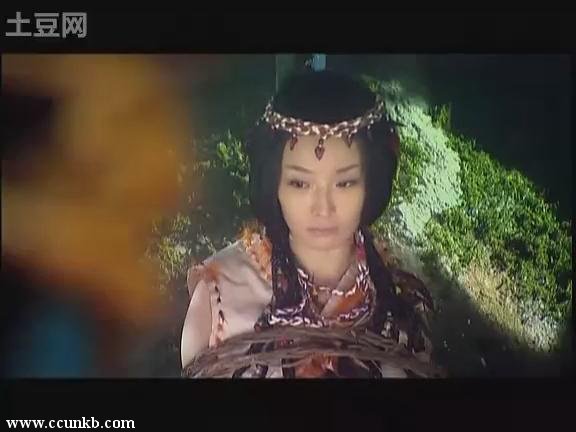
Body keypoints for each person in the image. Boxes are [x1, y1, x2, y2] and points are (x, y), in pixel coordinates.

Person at [181, 69, 442, 378]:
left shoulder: (402, 301)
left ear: (370, 185)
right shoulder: (218, 296)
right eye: (300, 183)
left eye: (344, 183)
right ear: (274, 183)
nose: (323, 208)